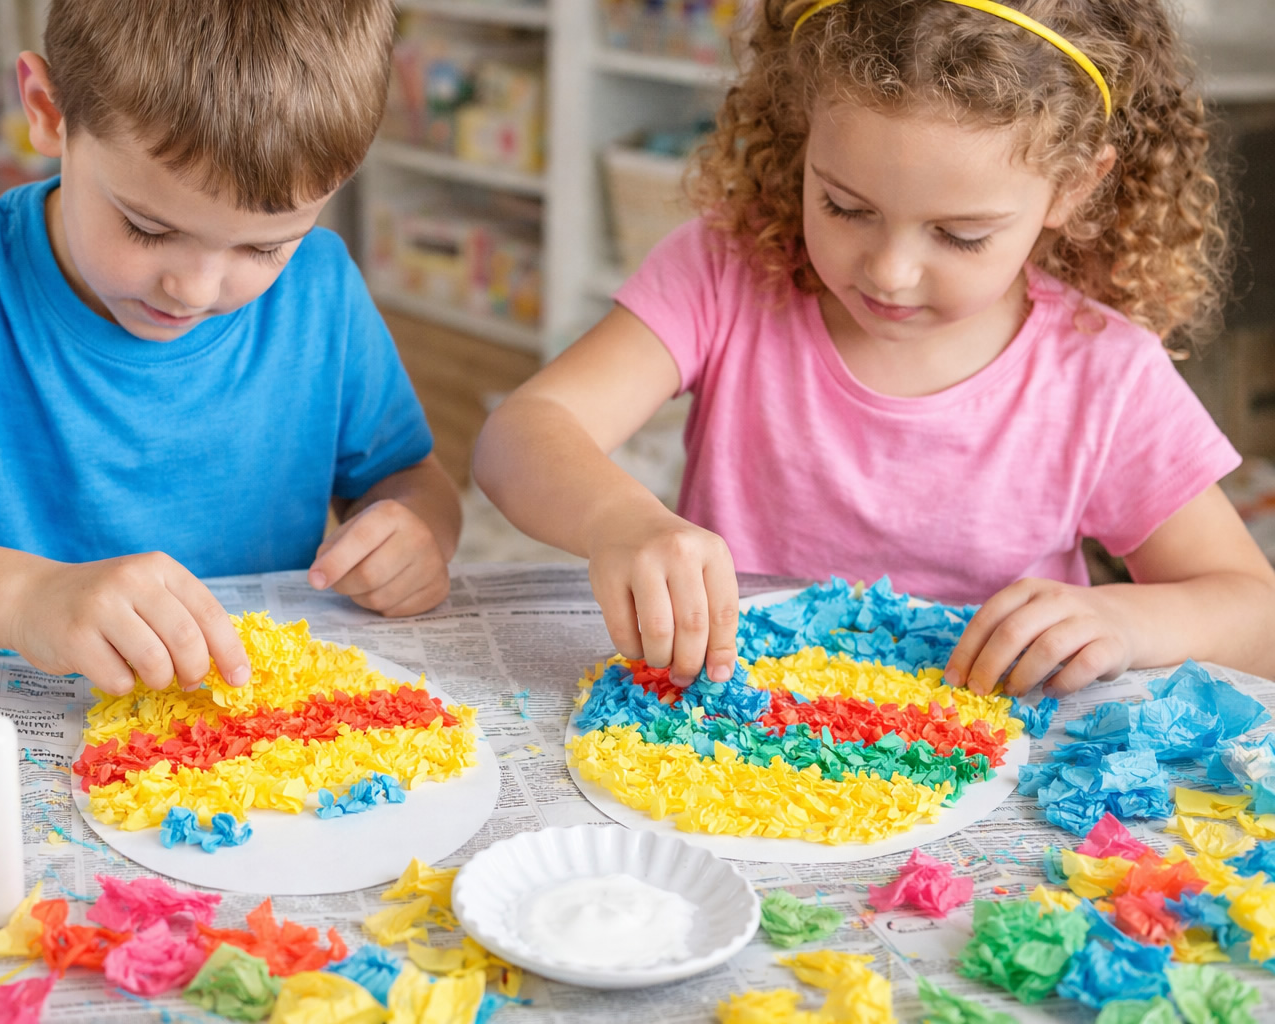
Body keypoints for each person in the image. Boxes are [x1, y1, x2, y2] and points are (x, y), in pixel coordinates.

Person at [474, 0, 1275, 699]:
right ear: (803, 130)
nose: (889, 272)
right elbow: (523, 434)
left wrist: (1126, 621)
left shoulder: (1103, 377)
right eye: (844, 206)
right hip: (733, 735)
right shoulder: (726, 271)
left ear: (1072, 189)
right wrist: (620, 519)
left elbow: (1257, 617)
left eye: (960, 236)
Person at [0, 1, 460, 696]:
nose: (196, 288)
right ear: (49, 112)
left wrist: (416, 535)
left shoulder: (321, 289)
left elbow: (408, 478)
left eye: (265, 246)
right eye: (148, 228)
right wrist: (29, 600)